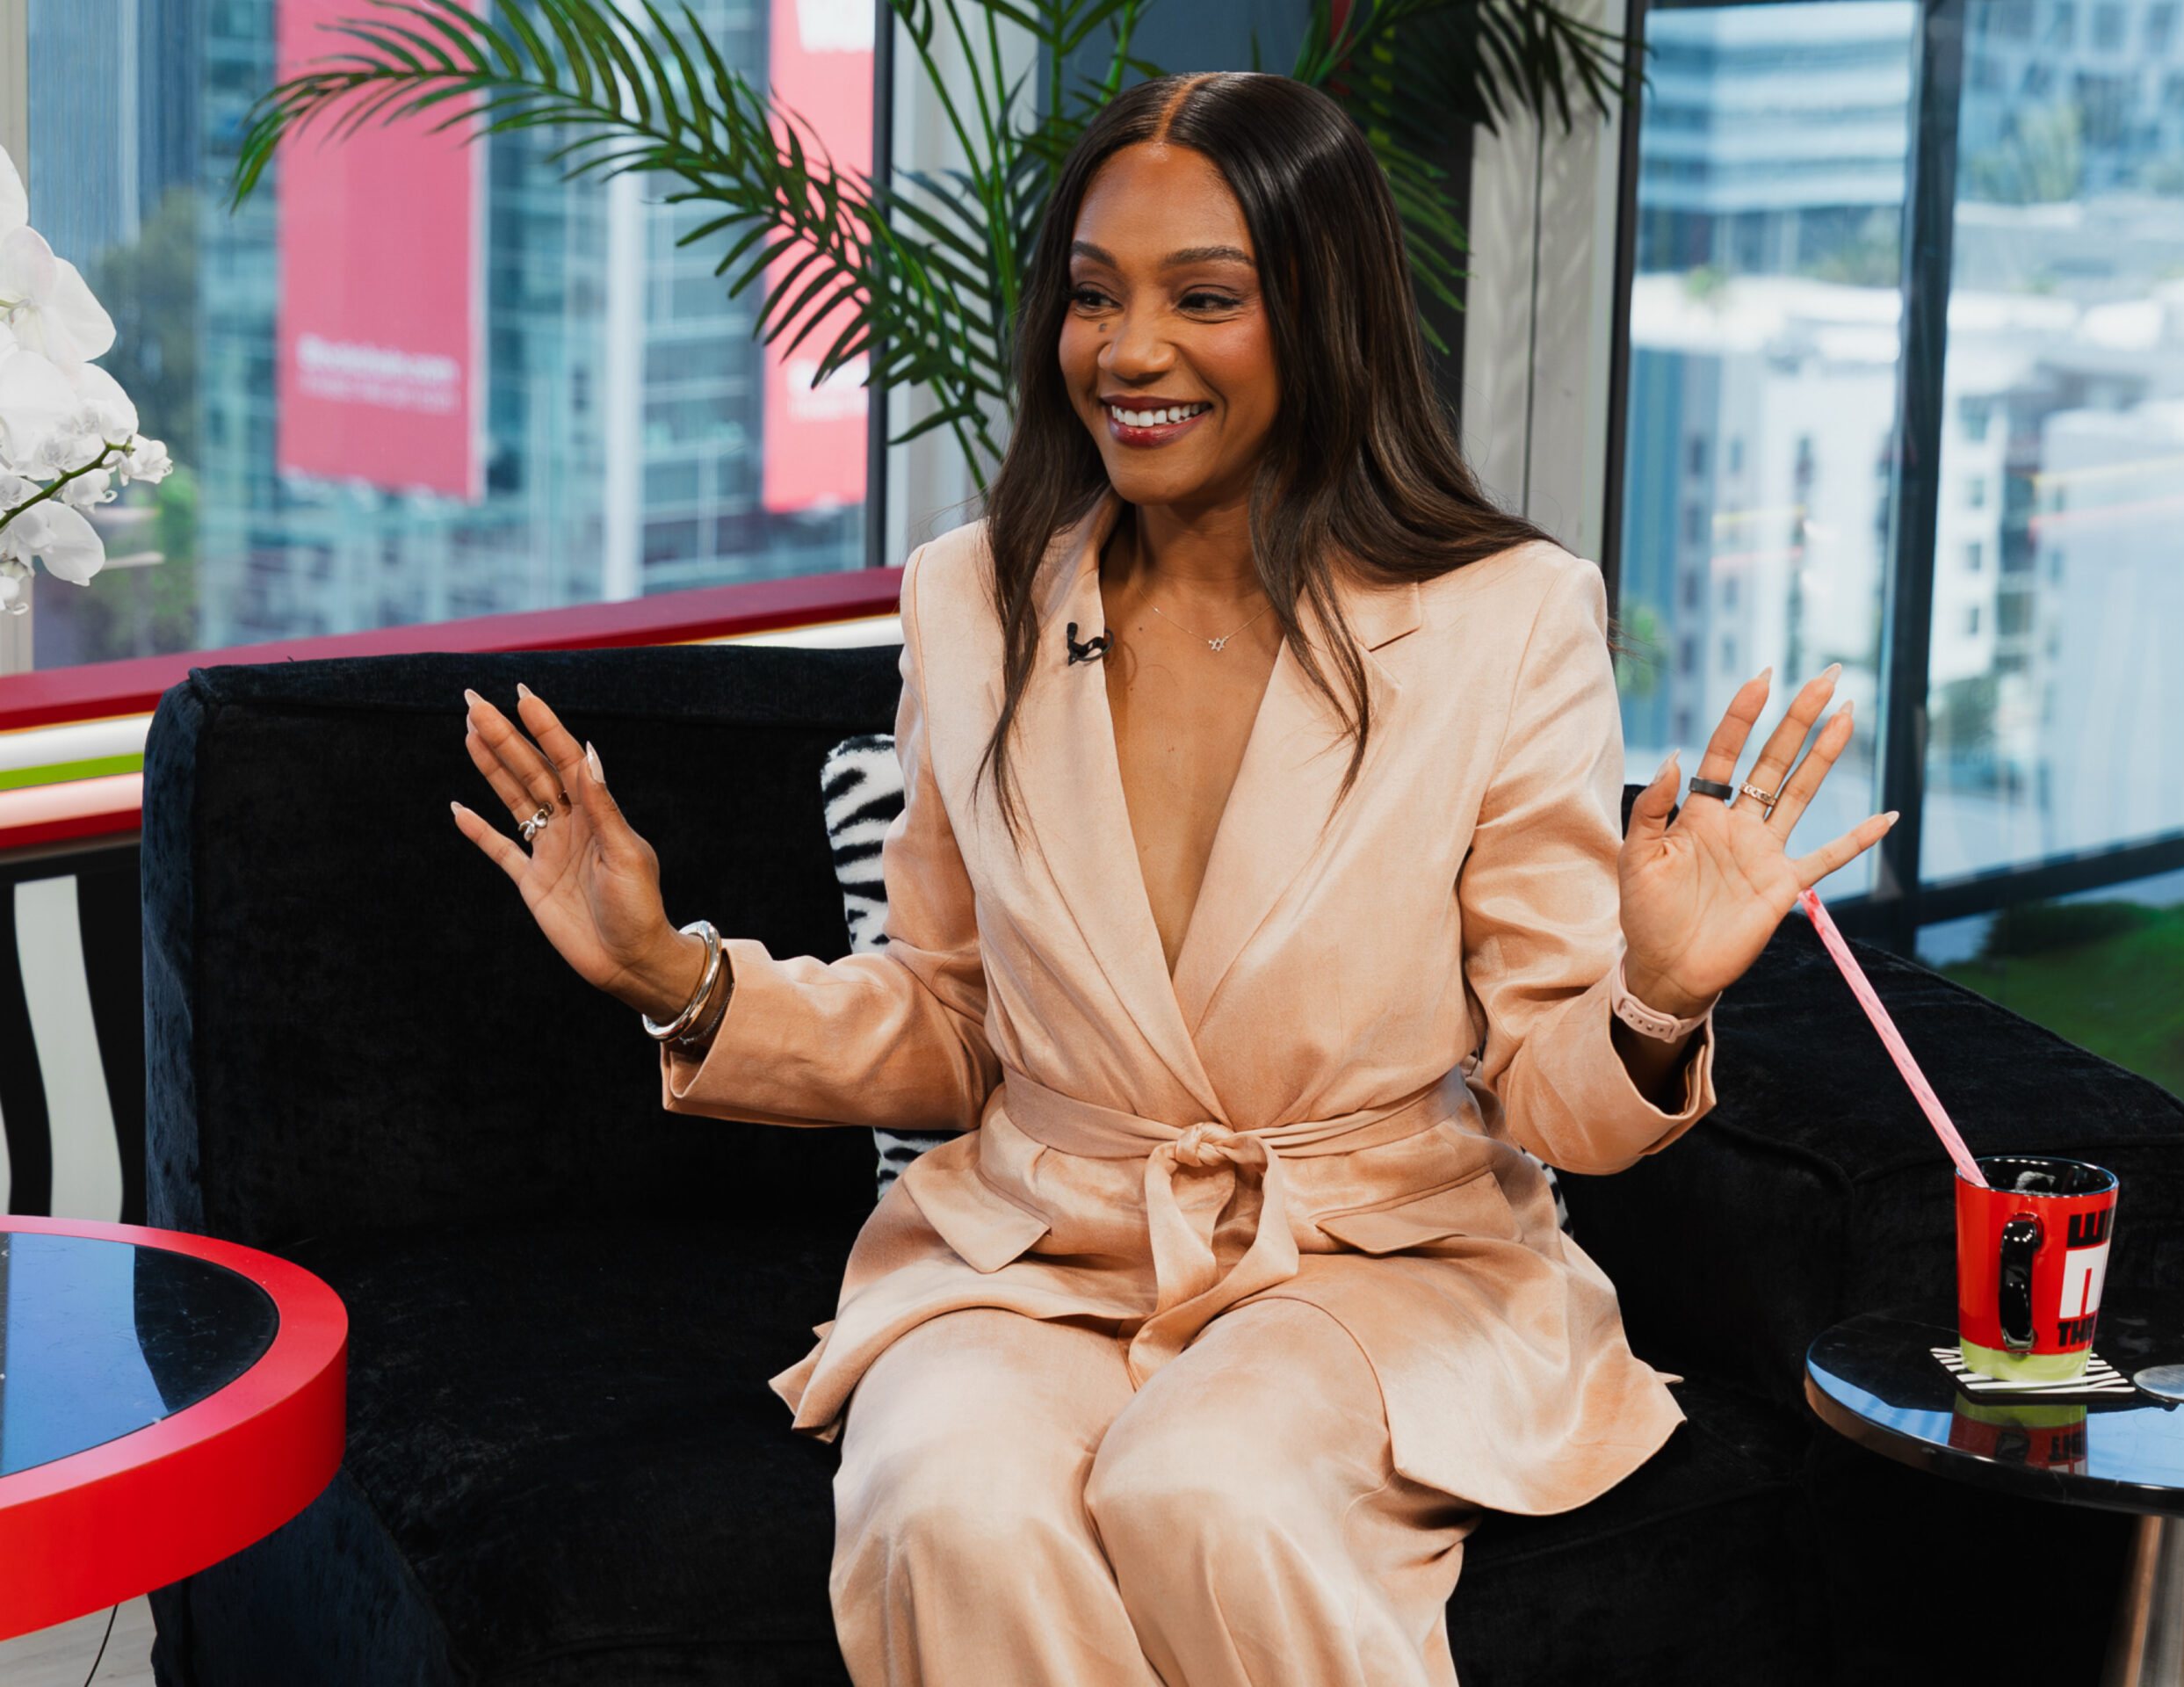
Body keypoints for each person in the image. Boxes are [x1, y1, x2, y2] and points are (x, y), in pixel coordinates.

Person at [452, 71, 1895, 1687]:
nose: (1128, 351)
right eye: (1094, 296)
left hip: (1379, 1265)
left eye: (1203, 298)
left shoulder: (1507, 617)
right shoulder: (974, 600)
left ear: (1323, 316)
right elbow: (951, 1023)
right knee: (950, 1510)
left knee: (1201, 1486)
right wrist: (675, 975)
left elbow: (1550, 1091)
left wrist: (1657, 998)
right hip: (1039, 1253)